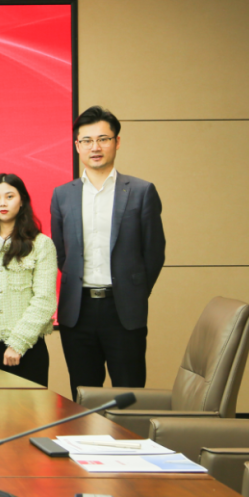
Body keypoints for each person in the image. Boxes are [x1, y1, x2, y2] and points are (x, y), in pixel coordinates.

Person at [50, 105, 166, 400]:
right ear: (77, 146)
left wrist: (133, 290)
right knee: (84, 396)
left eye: (103, 139)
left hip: (123, 310)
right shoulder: (63, 195)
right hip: (78, 312)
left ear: (117, 142)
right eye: (87, 140)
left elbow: (154, 253)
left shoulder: (141, 191)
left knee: (129, 394)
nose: (95, 147)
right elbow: (62, 253)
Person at [0, 174, 57, 386]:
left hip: (26, 349)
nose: (3, 203)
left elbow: (45, 300)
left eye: (9, 196)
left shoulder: (41, 244)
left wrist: (18, 344)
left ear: (22, 200)